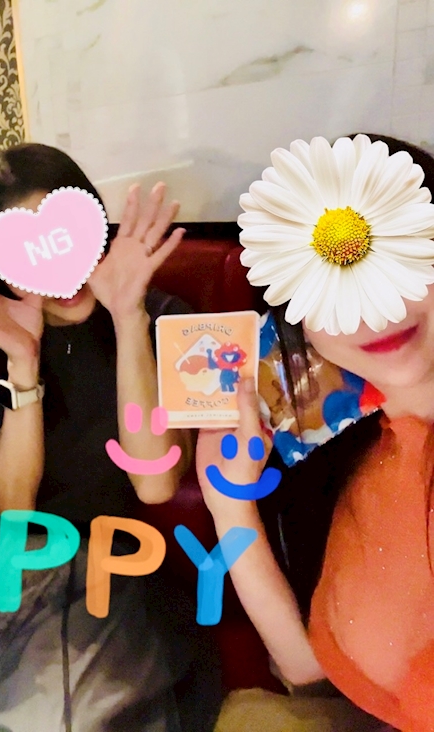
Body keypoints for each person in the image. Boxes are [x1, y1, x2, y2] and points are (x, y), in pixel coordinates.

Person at [0, 143, 223, 731]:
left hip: (116, 567)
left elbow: (156, 483)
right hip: (13, 572)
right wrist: (23, 359)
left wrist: (129, 317)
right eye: (27, 255)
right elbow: (14, 503)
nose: (60, 271)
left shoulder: (166, 316)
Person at [198, 134, 434, 732]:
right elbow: (306, 666)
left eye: (401, 259)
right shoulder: (347, 452)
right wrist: (229, 501)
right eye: (331, 278)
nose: (375, 309)